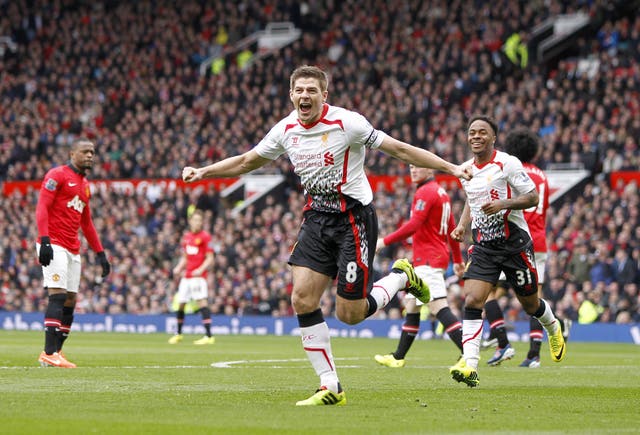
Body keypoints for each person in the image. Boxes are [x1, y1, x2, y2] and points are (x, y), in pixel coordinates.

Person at [182, 65, 472, 405]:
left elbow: (401, 150)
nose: (305, 96)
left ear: (324, 95)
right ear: (291, 95)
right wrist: (204, 172)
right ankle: (330, 384)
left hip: (354, 219)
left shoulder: (348, 123)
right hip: (317, 219)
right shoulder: (285, 129)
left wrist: (451, 168)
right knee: (302, 298)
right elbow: (247, 161)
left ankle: (399, 277)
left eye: (311, 90)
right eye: (299, 90)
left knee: (349, 315)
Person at [449, 115, 565, 387]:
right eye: (472, 132)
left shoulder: (508, 163)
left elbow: (532, 197)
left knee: (530, 304)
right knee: (473, 300)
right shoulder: (466, 169)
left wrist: (503, 204)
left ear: (493, 138)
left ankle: (552, 325)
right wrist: (462, 225)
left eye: (482, 132)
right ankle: (470, 364)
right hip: (484, 246)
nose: (476, 136)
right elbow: (472, 199)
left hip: (515, 245)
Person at [481, 128, 571, 368]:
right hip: (539, 240)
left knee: (492, 293)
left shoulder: (509, 171)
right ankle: (534, 354)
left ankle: (501, 343)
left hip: (514, 238)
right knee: (535, 296)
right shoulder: (541, 175)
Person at [373, 166, 465, 367]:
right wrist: (457, 260)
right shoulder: (441, 193)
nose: (413, 170)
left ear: (430, 169)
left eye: (418, 166)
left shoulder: (426, 192)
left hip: (428, 259)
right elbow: (452, 229)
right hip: (431, 257)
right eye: (411, 166)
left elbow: (414, 224)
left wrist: (384, 241)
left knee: (438, 306)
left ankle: (468, 353)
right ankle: (398, 357)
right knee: (412, 307)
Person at [36, 138, 111, 368]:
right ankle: (49, 352)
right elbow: (42, 207)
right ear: (72, 153)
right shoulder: (57, 175)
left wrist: (100, 253)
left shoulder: (85, 185)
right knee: (57, 294)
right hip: (54, 243)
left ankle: (56, 351)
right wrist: (45, 240)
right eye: (85, 151)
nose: (90, 155)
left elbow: (86, 223)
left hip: (72, 247)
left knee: (70, 299)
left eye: (93, 152)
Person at [168, 209, 216, 345]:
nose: (197, 223)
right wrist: (178, 267)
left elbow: (210, 258)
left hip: (198, 277)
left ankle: (208, 336)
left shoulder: (205, 237)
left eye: (199, 220)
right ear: (190, 221)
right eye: (195, 220)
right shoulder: (187, 237)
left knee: (202, 302)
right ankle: (178, 334)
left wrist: (200, 270)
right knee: (181, 303)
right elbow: (185, 257)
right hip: (187, 276)